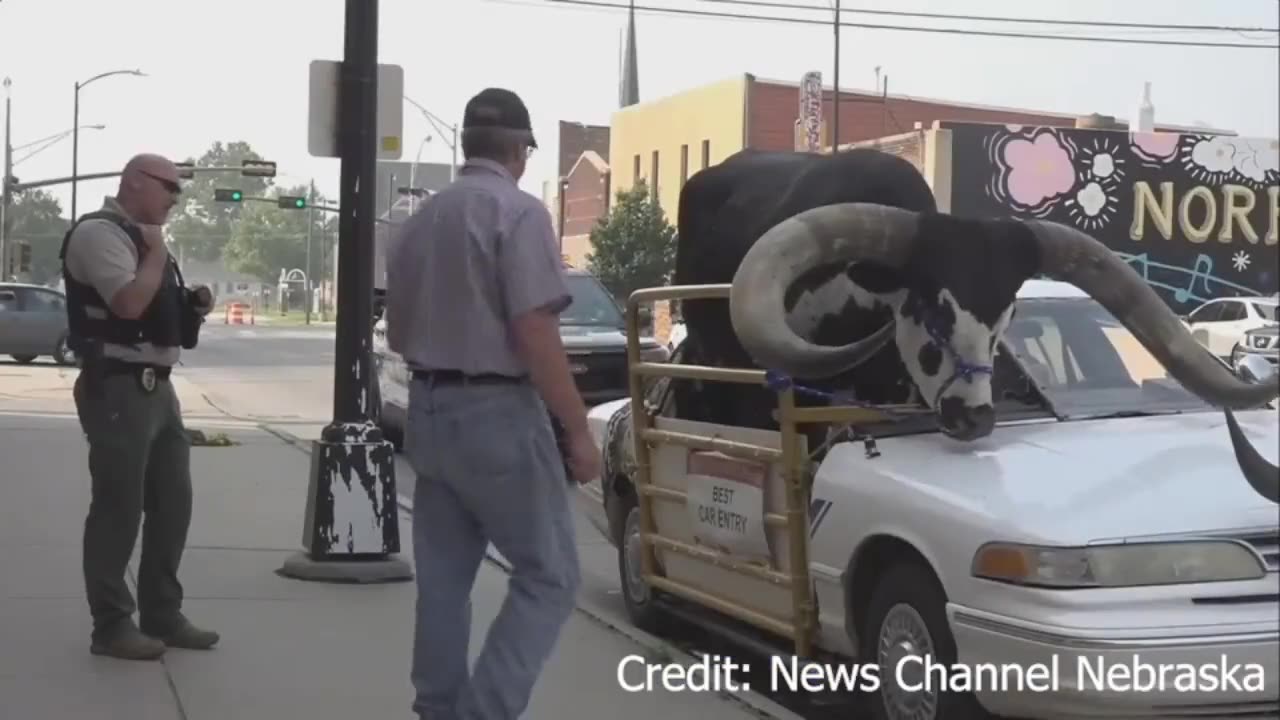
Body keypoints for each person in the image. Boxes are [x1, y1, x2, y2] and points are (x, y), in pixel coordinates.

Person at [385, 87, 603, 720]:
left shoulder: (416, 221)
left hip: (428, 411)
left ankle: (438, 708)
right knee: (551, 575)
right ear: (519, 149)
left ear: (465, 145)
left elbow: (397, 334)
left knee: (444, 584)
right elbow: (535, 332)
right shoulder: (518, 212)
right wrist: (578, 432)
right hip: (497, 413)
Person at [60, 153, 218, 661]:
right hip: (118, 385)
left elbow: (153, 308)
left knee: (174, 503)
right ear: (132, 182)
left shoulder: (147, 241)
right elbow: (127, 304)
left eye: (179, 188)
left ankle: (162, 614)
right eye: (169, 186)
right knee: (118, 507)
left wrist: (190, 303)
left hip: (158, 388)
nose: (177, 197)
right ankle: (111, 625)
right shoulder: (100, 234)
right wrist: (155, 254)